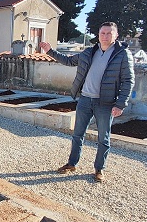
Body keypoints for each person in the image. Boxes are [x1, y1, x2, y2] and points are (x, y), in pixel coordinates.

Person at [39, 22, 134, 182]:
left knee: (103, 138)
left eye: (109, 33)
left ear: (116, 35)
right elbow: (68, 61)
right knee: (77, 135)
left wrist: (120, 104)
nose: (105, 36)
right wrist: (50, 51)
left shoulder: (123, 55)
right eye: (102, 33)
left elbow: (128, 80)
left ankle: (99, 169)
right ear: (98, 34)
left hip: (106, 103)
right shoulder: (89, 52)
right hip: (85, 100)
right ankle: (71, 164)